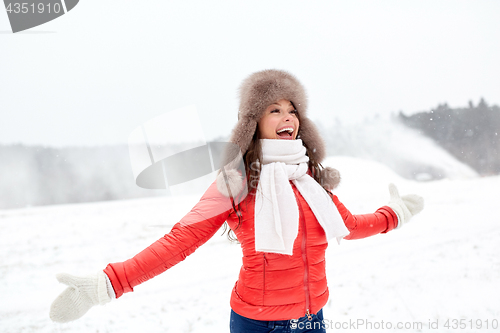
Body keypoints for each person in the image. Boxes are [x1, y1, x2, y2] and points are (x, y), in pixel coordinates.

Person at [50, 69, 424, 333]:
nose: (286, 116)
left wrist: (395, 214)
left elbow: (351, 226)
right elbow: (179, 240)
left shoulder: (310, 180)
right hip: (258, 324)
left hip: (313, 321)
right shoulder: (237, 183)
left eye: (291, 109)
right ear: (253, 122)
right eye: (273, 109)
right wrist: (109, 283)